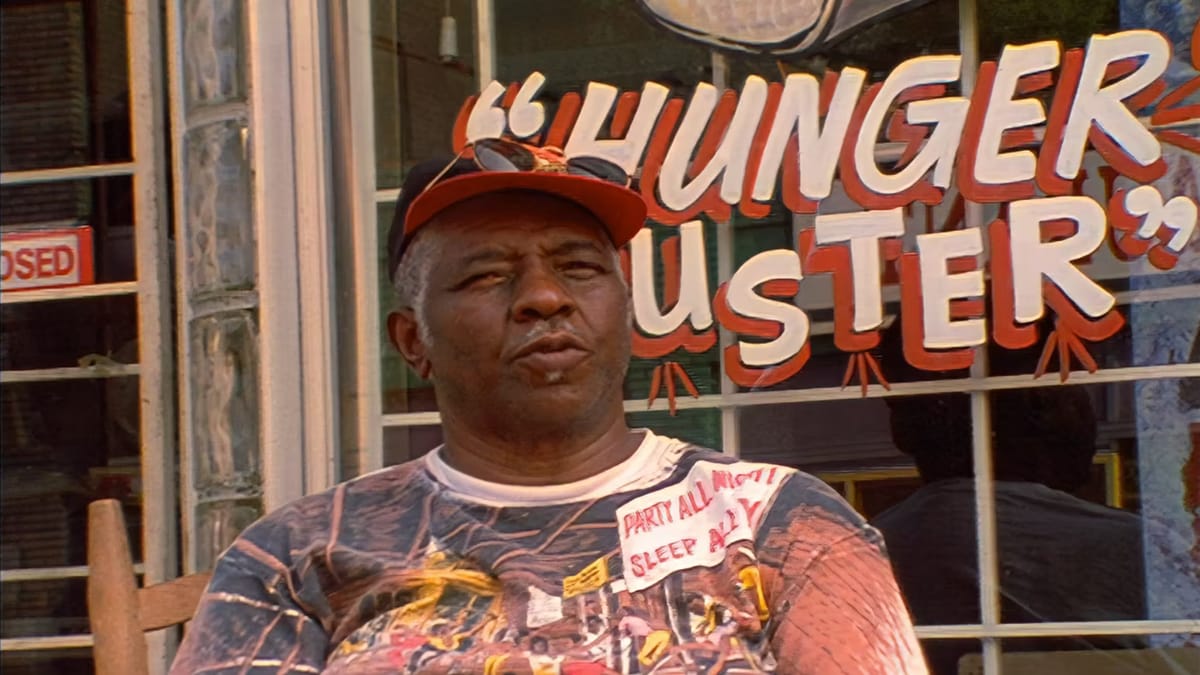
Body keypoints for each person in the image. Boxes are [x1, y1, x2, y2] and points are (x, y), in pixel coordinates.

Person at [170, 140, 926, 674]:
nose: (543, 297)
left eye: (578, 268)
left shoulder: (779, 523)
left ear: (625, 310)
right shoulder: (298, 555)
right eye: (487, 276)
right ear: (413, 340)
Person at [872, 324, 1146, 675]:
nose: (1089, 414)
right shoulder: (1143, 551)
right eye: (1076, 389)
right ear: (1040, 403)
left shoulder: (849, 561)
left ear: (901, 430)